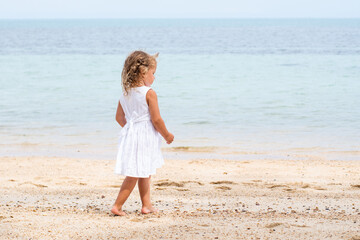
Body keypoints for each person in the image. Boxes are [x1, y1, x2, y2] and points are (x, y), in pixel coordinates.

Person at [111, 50, 174, 216]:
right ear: (143, 72)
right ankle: (117, 206)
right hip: (145, 137)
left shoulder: (125, 94)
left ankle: (147, 205)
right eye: (153, 73)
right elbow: (157, 120)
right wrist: (167, 135)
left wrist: (132, 130)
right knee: (134, 173)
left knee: (144, 170)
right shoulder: (149, 93)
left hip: (132, 135)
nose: (154, 77)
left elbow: (119, 117)